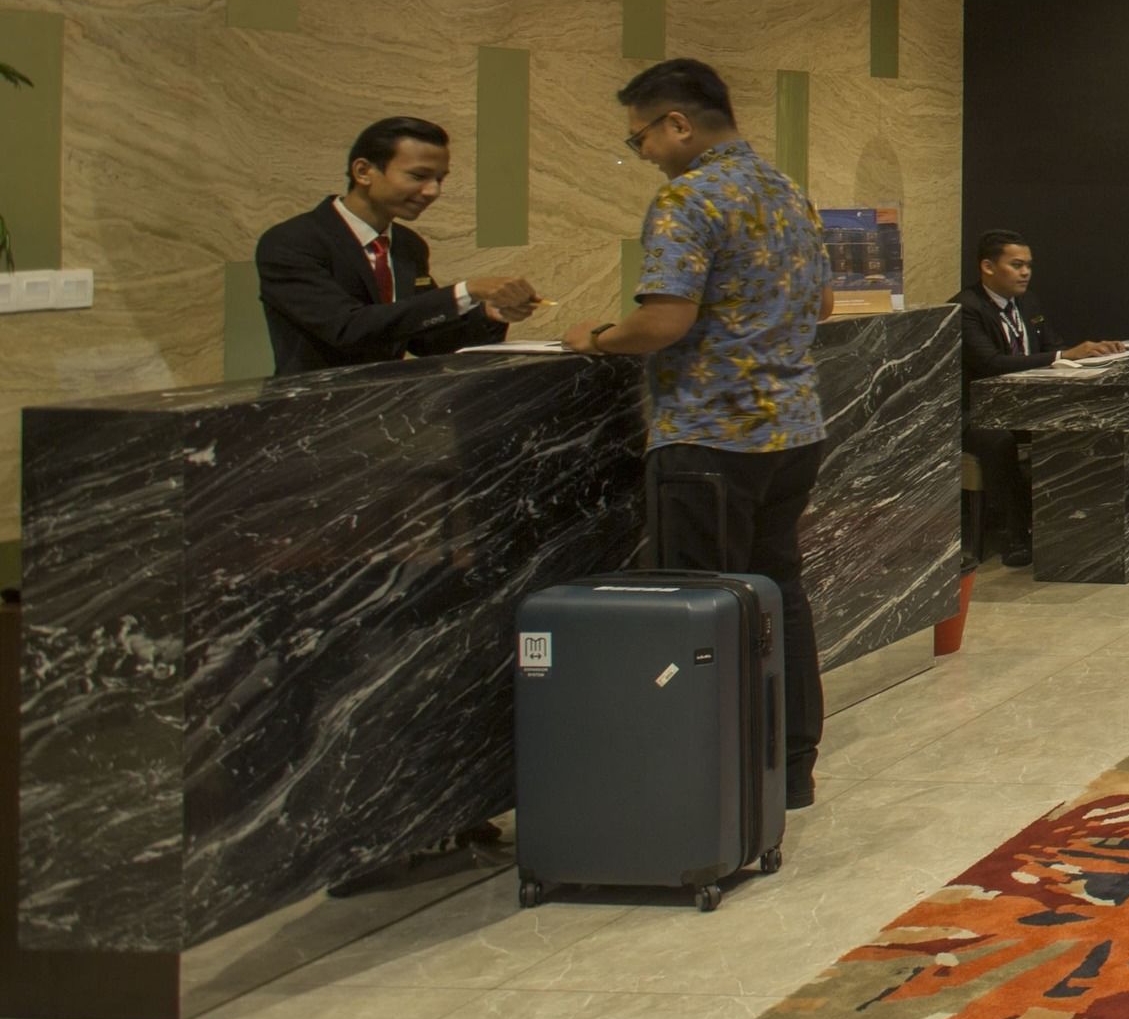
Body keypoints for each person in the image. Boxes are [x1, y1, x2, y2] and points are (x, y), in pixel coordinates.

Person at [563, 58, 836, 808]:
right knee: (779, 595)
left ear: (677, 123)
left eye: (641, 138)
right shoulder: (786, 190)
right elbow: (823, 306)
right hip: (793, 430)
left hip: (710, 438)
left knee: (700, 610)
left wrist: (597, 338)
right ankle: (790, 767)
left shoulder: (687, 196)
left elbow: (664, 319)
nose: (645, 154)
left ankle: (713, 784)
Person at [254, 116, 542, 374]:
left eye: (439, 179)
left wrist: (489, 313)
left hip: (392, 405)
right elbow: (346, 329)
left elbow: (426, 340)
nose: (433, 191)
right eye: (418, 176)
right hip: (316, 409)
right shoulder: (291, 242)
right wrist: (465, 292)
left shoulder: (409, 245)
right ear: (363, 171)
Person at [956, 229, 1121, 568]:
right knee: (999, 440)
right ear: (988, 267)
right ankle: (1015, 535)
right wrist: (1063, 355)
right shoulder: (966, 308)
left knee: (1075, 424)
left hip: (1024, 405)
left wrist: (1091, 356)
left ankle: (1076, 526)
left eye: (1028, 265)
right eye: (1016, 265)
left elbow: (1051, 347)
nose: (1025, 273)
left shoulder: (1028, 303)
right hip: (977, 412)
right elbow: (991, 364)